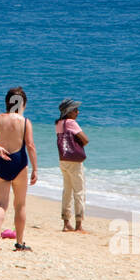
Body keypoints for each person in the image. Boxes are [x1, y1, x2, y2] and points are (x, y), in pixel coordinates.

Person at [0, 86, 38, 251]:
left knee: (1, 203)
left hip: (0, 161)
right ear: (23, 104)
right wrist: (35, 169)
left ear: (7, 103)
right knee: (20, 205)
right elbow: (30, 145)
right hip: (19, 163)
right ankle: (19, 243)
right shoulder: (25, 122)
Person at [55, 98, 89, 232]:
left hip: (63, 159)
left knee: (67, 191)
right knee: (79, 191)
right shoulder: (71, 122)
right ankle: (79, 224)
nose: (77, 112)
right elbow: (85, 139)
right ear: (69, 112)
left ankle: (66, 223)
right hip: (75, 161)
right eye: (75, 110)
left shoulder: (58, 123)